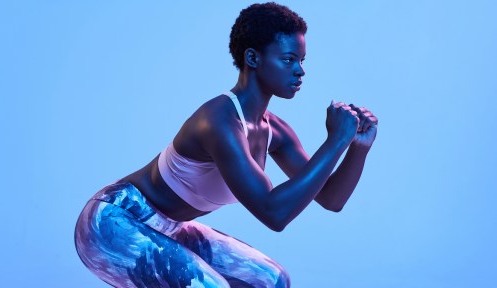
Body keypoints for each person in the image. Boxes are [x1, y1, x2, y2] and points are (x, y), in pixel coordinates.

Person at [74, 2, 378, 287]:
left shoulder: (275, 130)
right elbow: (274, 213)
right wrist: (336, 139)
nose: (300, 70)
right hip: (115, 223)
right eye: (288, 59)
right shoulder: (219, 122)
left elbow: (330, 199)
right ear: (253, 58)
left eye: (301, 60)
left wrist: (356, 147)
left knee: (272, 280)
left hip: (172, 228)